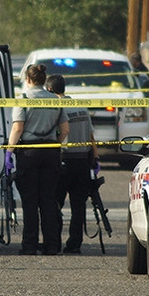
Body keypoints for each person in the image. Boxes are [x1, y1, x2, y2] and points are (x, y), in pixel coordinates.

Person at [6, 64, 69, 255]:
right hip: (50, 152)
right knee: (49, 200)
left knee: (30, 202)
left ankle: (30, 245)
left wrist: (9, 152)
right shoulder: (56, 100)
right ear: (44, 79)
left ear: (27, 79)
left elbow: (18, 129)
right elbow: (65, 130)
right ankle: (52, 245)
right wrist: (54, 143)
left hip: (29, 153)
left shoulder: (23, 100)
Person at [46, 74, 99, 254]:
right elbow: (91, 137)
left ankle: (54, 241)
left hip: (63, 161)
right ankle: (74, 244)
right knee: (79, 206)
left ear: (50, 90)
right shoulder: (82, 107)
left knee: (54, 203)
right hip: (83, 162)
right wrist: (95, 159)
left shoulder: (55, 108)